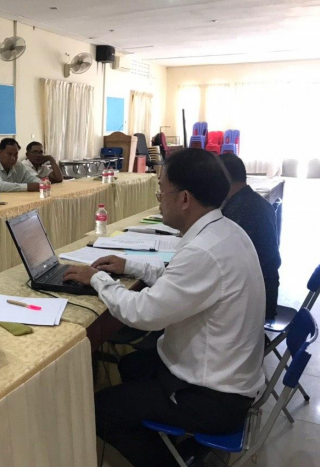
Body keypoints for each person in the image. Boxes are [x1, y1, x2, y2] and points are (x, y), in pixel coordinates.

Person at [64, 149, 265, 467]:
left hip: (214, 397)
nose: (158, 199)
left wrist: (97, 278)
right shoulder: (225, 231)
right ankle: (163, 435)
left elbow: (142, 314)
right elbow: (181, 283)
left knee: (100, 410)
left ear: (184, 198)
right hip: (228, 376)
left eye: (161, 190)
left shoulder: (203, 251)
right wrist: (129, 265)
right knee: (132, 366)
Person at [220, 153, 281, 319]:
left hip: (255, 300)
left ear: (223, 179)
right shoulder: (253, 201)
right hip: (265, 288)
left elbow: (225, 262)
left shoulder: (240, 210)